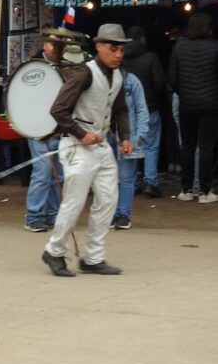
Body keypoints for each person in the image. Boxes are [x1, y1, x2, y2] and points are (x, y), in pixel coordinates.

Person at [40, 24, 131, 277]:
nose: (118, 54)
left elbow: (121, 109)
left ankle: (93, 256)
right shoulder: (83, 74)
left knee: (108, 200)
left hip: (101, 146)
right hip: (77, 146)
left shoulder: (118, 75)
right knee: (74, 202)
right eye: (114, 48)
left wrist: (125, 136)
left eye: (121, 49)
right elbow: (58, 110)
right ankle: (54, 251)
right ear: (99, 46)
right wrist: (82, 133)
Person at [168, 12, 218, 203]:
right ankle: (205, 192)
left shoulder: (179, 48)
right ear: (208, 28)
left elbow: (172, 78)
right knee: (206, 147)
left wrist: (184, 93)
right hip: (211, 105)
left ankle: (186, 190)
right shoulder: (215, 47)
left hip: (187, 103)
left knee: (187, 146)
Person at [24, 33, 67, 233]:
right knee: (43, 171)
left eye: (59, 45)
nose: (56, 48)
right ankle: (33, 216)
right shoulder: (34, 68)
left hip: (58, 128)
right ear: (45, 46)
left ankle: (52, 215)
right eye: (52, 44)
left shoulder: (65, 68)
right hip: (38, 127)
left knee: (57, 173)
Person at [121, 26, 167, 198]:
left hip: (125, 112)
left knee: (128, 145)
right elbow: (160, 82)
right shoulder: (151, 57)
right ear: (143, 39)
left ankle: (131, 184)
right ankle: (151, 182)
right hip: (150, 107)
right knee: (151, 146)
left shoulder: (120, 58)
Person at [110, 68, 149, 230]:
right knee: (110, 179)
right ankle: (115, 214)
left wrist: (139, 135)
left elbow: (141, 108)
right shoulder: (131, 80)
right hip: (106, 135)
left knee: (124, 178)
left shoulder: (131, 81)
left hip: (126, 136)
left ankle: (122, 214)